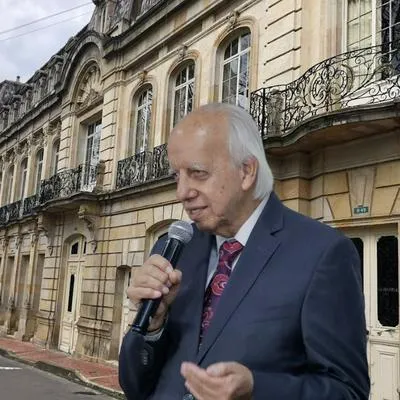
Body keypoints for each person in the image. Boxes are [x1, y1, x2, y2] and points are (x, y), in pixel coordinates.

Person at [118, 103, 370, 399]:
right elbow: (134, 384)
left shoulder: (323, 253)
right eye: (177, 176)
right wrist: (153, 325)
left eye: (197, 173)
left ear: (247, 171)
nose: (182, 192)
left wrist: (256, 389)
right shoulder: (173, 250)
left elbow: (347, 391)